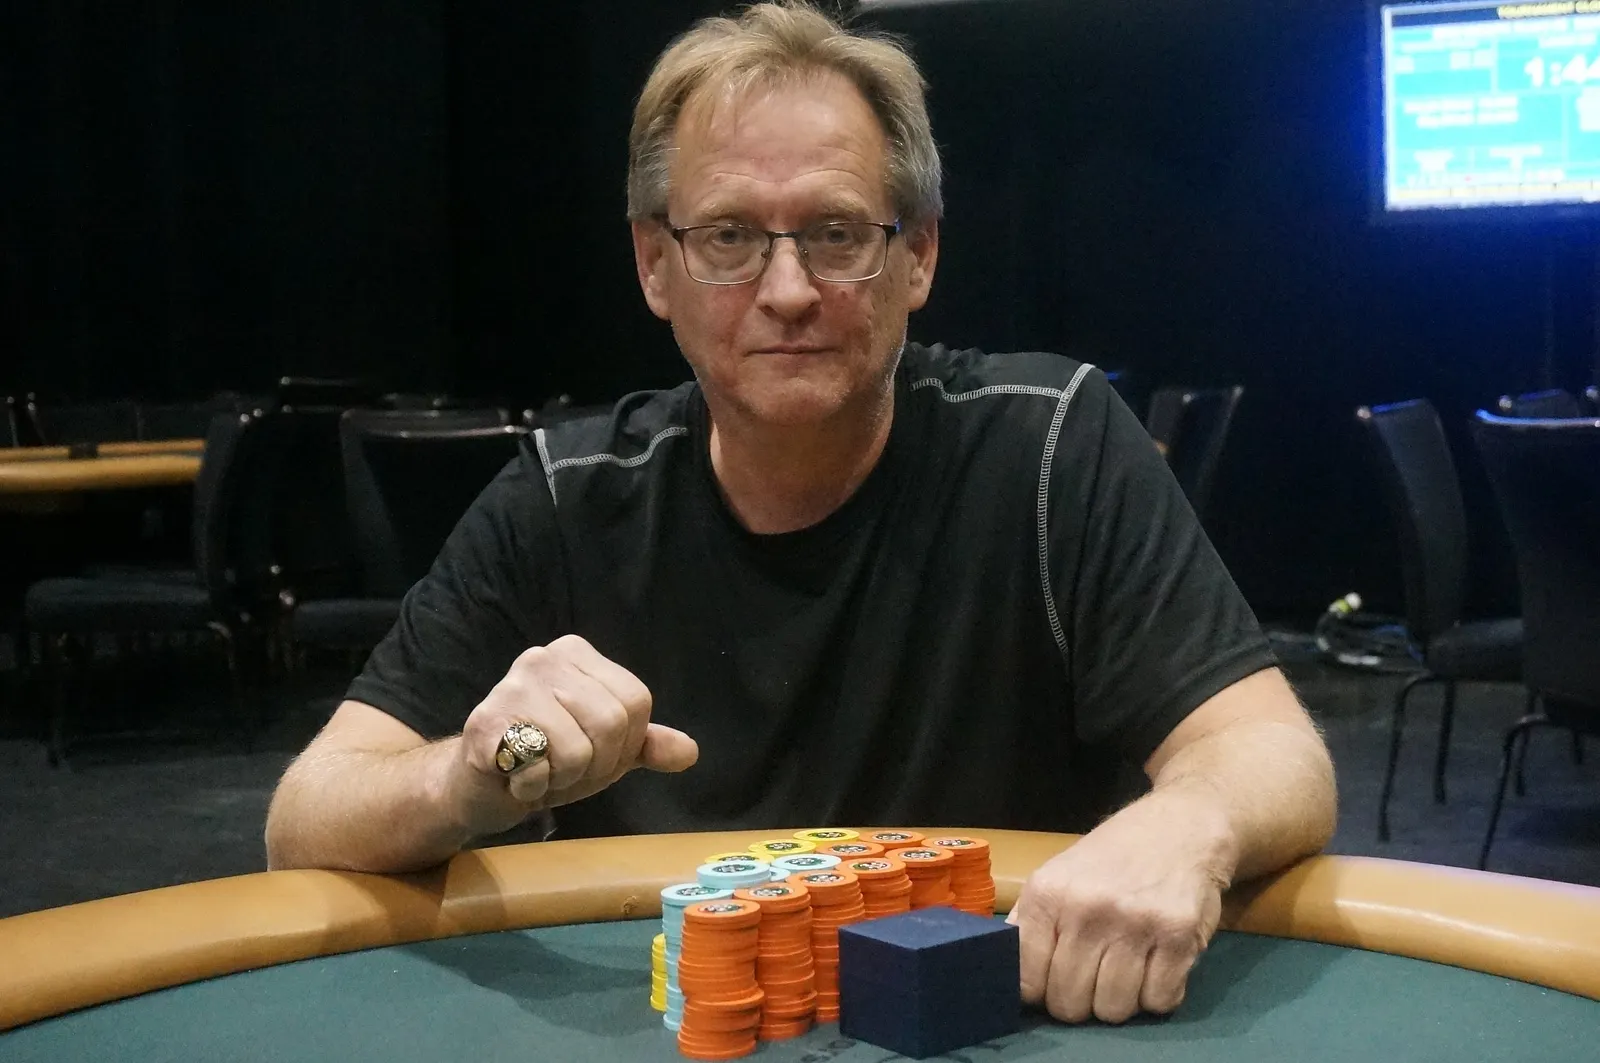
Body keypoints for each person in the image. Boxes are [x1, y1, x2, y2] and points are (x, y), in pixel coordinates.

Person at [265, 0, 1336, 1026]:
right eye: (729, 236)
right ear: (655, 264)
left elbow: (1269, 748)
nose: (786, 290)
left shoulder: (1051, 446)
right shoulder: (562, 497)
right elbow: (305, 819)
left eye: (833, 233)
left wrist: (1186, 820)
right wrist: (473, 774)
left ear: (917, 255)